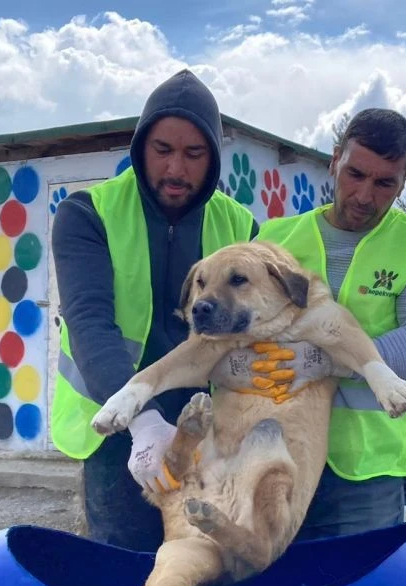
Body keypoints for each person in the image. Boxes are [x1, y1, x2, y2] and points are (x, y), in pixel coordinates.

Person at [211, 107, 406, 541]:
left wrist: (322, 360)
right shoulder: (274, 239)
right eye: (355, 174)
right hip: (270, 453)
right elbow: (232, 331)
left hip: (362, 472)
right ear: (335, 158)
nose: (364, 195)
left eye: (385, 183)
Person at [50, 68, 259, 553]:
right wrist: (142, 423)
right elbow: (89, 323)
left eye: (193, 153)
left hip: (208, 428)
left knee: (205, 569)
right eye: (163, 150)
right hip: (119, 431)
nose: (176, 170)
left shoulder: (241, 224)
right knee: (123, 571)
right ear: (140, 147)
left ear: (214, 157)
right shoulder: (86, 213)